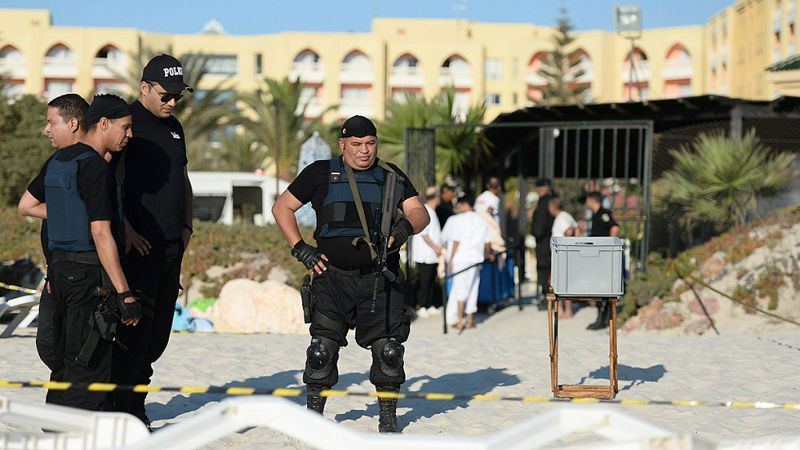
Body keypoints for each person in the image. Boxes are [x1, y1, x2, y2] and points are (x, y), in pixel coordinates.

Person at [271, 115, 429, 433]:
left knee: (389, 352)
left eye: (370, 143)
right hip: (332, 279)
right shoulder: (319, 173)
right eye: (356, 144)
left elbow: (419, 212)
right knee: (320, 352)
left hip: (380, 278)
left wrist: (403, 228)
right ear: (342, 144)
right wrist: (301, 249)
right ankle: (313, 420)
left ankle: (388, 420)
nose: (364, 150)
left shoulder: (391, 176)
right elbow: (282, 207)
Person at [19, 94, 140, 410]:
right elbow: (100, 233)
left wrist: (70, 215)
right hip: (87, 275)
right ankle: (79, 426)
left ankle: (58, 424)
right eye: (125, 127)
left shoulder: (58, 161)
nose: (129, 135)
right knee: (89, 359)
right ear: (104, 124)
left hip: (59, 273)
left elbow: (27, 205)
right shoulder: (94, 166)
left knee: (63, 357)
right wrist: (125, 293)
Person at [110, 54, 194, 426]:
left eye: (178, 95)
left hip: (172, 246)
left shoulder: (175, 127)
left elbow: (183, 180)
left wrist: (187, 228)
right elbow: (108, 184)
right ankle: (128, 410)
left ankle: (133, 405)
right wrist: (126, 228)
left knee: (157, 338)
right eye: (165, 95)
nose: (172, 102)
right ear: (144, 88)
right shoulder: (126, 123)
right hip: (137, 248)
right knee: (134, 335)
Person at [18, 93, 89, 372]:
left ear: (72, 123)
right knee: (48, 343)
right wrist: (68, 210)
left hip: (83, 269)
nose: (46, 129)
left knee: (73, 347)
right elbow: (26, 206)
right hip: (56, 267)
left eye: (51, 122)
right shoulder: (56, 161)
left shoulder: (92, 161)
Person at [441, 195, 493, 330]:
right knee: (473, 288)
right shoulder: (481, 220)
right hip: (476, 258)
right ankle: (469, 320)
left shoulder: (459, 219)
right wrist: (488, 253)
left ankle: (459, 320)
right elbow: (487, 242)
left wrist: (451, 260)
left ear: (464, 204)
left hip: (461, 258)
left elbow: (456, 241)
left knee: (460, 289)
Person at [585, 191, 620, 330]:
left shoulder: (603, 213)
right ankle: (601, 317)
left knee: (604, 287)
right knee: (598, 287)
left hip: (604, 256)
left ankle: (604, 318)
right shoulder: (596, 214)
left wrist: (610, 248)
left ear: (591, 200)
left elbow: (614, 228)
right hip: (597, 256)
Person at [411, 186, 444, 318]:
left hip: (432, 255)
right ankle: (422, 306)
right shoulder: (426, 211)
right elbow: (424, 234)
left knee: (431, 281)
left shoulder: (432, 211)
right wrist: (435, 247)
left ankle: (429, 305)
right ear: (437, 198)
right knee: (424, 282)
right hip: (425, 254)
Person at [548, 195, 578, 318]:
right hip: (565, 255)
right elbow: (576, 229)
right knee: (564, 284)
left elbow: (569, 231)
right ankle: (564, 310)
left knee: (559, 284)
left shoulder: (561, 218)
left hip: (562, 256)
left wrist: (566, 245)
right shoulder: (567, 215)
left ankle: (563, 310)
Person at [530, 178, 555, 305]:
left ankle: (547, 295)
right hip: (546, 239)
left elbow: (540, 223)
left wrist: (537, 234)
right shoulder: (550, 199)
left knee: (544, 268)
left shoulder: (545, 201)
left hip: (544, 240)